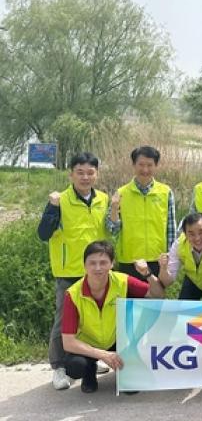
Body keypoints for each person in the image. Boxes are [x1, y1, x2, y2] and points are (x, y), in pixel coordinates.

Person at [37, 152, 110, 390]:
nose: (85, 177)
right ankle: (58, 367)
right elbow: (43, 234)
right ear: (71, 174)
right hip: (68, 271)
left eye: (90, 173)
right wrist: (52, 208)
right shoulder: (60, 200)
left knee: (93, 319)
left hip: (96, 271)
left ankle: (91, 361)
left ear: (97, 175)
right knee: (63, 319)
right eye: (80, 172)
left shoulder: (103, 199)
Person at [61, 241, 164, 393]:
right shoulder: (72, 294)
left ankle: (123, 371)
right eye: (92, 263)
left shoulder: (123, 281)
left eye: (103, 262)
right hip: (88, 346)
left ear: (112, 264)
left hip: (118, 341)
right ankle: (89, 371)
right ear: (85, 265)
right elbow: (68, 343)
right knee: (75, 366)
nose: (98, 268)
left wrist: (147, 274)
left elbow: (158, 295)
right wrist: (103, 355)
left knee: (132, 390)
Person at [108, 146, 176, 280]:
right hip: (129, 260)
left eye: (150, 165)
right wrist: (114, 209)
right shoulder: (121, 193)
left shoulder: (166, 192)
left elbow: (171, 229)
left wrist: (170, 255)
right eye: (141, 165)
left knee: (156, 293)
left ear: (156, 166)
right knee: (130, 294)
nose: (145, 170)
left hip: (157, 260)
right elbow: (113, 230)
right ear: (134, 165)